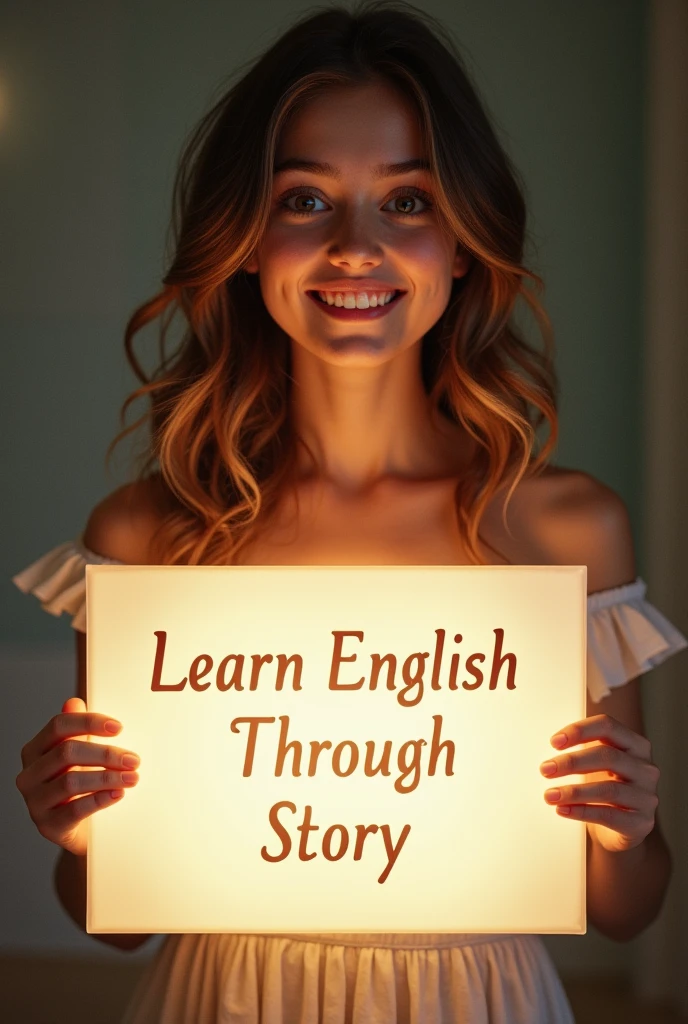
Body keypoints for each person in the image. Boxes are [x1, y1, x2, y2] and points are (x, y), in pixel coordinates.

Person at [12, 2, 688, 1021]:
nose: (356, 247)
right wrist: (75, 826)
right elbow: (112, 919)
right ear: (244, 240)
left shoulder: (562, 529)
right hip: (224, 998)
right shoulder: (150, 535)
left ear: (463, 241)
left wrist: (624, 827)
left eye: (407, 200)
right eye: (304, 200)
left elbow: (627, 912)